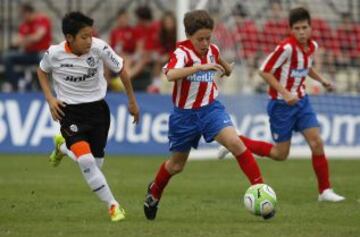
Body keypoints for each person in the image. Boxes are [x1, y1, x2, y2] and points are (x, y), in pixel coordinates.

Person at [143, 10, 266, 221]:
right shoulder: (181, 53)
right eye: (200, 39)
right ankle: (154, 192)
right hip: (184, 116)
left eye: (208, 38)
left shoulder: (212, 50)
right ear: (189, 36)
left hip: (210, 109)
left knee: (235, 143)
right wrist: (198, 67)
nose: (205, 43)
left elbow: (222, 65)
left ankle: (260, 191)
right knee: (176, 166)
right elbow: (171, 74)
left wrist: (227, 69)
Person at [217, 7, 345, 202]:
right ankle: (237, 141)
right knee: (280, 154)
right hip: (281, 105)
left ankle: (325, 191)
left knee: (316, 142)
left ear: (311, 28)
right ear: (291, 29)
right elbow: (264, 71)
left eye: (304, 27)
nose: (301, 32)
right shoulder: (286, 48)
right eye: (297, 28)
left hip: (302, 102)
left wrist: (322, 80)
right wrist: (285, 93)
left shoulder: (312, 47)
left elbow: (305, 67)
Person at [36, 12, 140, 222]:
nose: (89, 40)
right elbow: (41, 71)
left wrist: (132, 101)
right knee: (86, 160)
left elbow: (121, 70)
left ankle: (63, 147)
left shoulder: (99, 48)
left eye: (90, 35)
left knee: (96, 164)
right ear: (69, 37)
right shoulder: (54, 53)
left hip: (98, 111)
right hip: (70, 112)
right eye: (84, 36)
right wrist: (50, 99)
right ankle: (113, 205)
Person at [2, 2, 51, 91]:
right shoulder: (24, 25)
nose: (23, 17)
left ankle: (42, 87)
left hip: (41, 53)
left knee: (43, 59)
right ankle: (16, 85)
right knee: (6, 57)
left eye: (23, 14)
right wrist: (27, 39)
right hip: (28, 53)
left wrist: (25, 39)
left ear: (29, 12)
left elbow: (37, 37)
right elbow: (16, 41)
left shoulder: (42, 20)